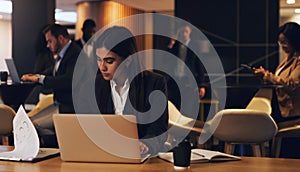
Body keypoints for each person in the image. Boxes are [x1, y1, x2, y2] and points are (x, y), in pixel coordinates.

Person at [93, 26, 168, 155]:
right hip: (104, 156)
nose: (102, 67)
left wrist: (145, 144)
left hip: (141, 159)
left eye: (109, 61)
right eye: (99, 60)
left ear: (128, 60)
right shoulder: (95, 85)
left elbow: (159, 129)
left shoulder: (154, 83)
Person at [21, 24, 81, 114]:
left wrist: (40, 79)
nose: (47, 45)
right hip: (60, 106)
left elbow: (67, 81)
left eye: (50, 41)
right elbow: (53, 71)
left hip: (70, 109)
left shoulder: (75, 54)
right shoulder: (63, 54)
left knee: (35, 123)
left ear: (60, 38)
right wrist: (36, 76)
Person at [254, 22, 300, 124]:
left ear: (294, 41)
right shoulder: (288, 58)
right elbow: (279, 81)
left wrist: (268, 76)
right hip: (280, 108)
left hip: (292, 112)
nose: (282, 46)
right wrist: (264, 75)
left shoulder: (298, 60)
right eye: (280, 42)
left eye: (285, 42)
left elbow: (291, 85)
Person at [166, 23, 206, 114]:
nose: (184, 34)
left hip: (188, 82)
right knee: (175, 109)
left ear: (190, 32)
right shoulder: (175, 45)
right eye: (182, 32)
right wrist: (171, 45)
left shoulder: (195, 46)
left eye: (186, 32)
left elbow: (199, 66)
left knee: (187, 109)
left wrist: (202, 85)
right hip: (175, 81)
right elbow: (166, 60)